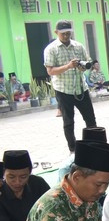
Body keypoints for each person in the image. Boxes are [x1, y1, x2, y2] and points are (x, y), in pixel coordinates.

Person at [44, 20, 97, 152]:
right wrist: (68, 66)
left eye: (68, 33)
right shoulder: (51, 49)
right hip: (63, 90)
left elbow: (88, 62)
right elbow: (50, 71)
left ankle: (94, 146)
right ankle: (73, 149)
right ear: (56, 32)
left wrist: (83, 67)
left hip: (81, 88)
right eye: (63, 34)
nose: (66, 36)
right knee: (68, 122)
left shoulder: (78, 46)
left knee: (90, 119)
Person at [0, 150, 50, 221]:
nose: (17, 182)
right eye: (11, 177)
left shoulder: (38, 184)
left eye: (23, 177)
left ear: (30, 172)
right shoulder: (1, 193)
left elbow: (51, 210)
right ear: (4, 173)